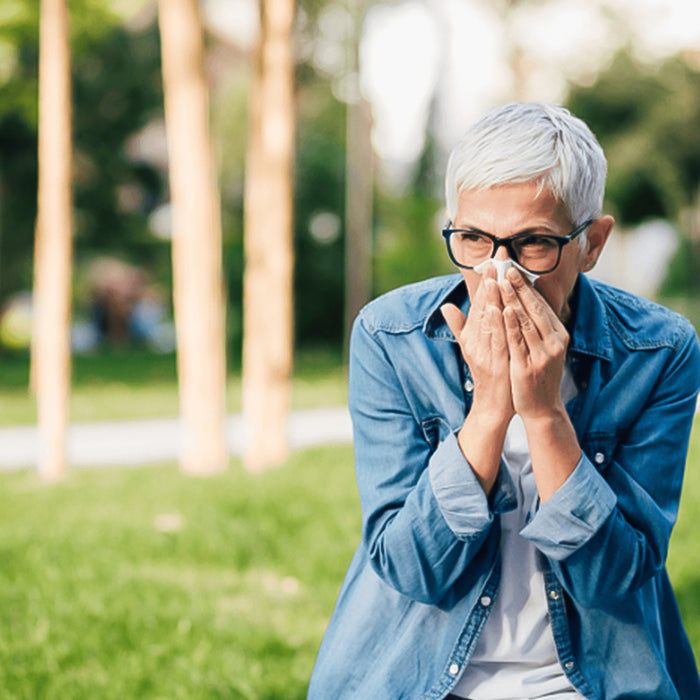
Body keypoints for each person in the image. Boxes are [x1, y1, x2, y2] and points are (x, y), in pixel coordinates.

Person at [307, 102, 700, 700]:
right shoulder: (390, 337)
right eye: (472, 238)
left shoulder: (658, 351)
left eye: (534, 244)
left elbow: (613, 578)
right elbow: (413, 570)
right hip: (417, 682)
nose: (498, 273)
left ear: (592, 244)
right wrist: (490, 409)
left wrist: (544, 413)